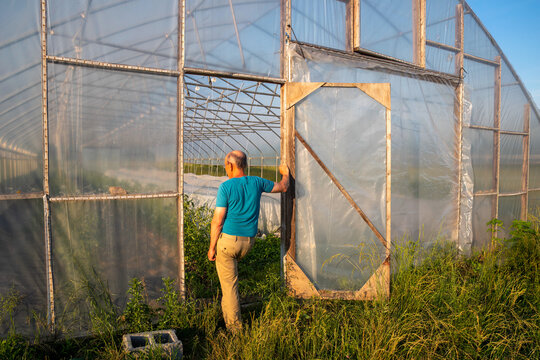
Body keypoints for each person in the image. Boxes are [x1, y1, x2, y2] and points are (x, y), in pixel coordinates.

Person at [207, 150, 289, 332]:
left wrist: (212, 247)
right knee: (228, 284)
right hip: (248, 242)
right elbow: (283, 187)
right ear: (245, 164)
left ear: (230, 165)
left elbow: (218, 221)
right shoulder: (257, 182)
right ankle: (226, 316)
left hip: (228, 243)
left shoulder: (226, 187)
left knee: (229, 287)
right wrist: (285, 173)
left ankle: (235, 330)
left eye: (225, 165)